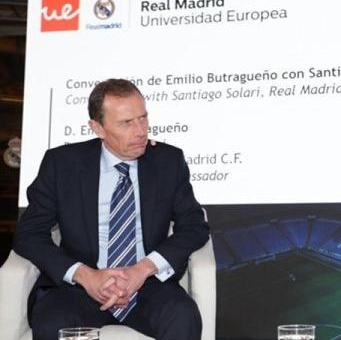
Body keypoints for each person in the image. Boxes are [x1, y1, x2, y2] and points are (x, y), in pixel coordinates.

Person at [13, 78, 210, 340]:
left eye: (143, 118)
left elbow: (194, 227)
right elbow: (29, 234)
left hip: (146, 285)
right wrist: (84, 275)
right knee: (53, 324)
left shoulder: (167, 161)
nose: (141, 131)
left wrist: (143, 269)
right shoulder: (62, 164)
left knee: (183, 316)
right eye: (127, 123)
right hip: (79, 288)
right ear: (98, 128)